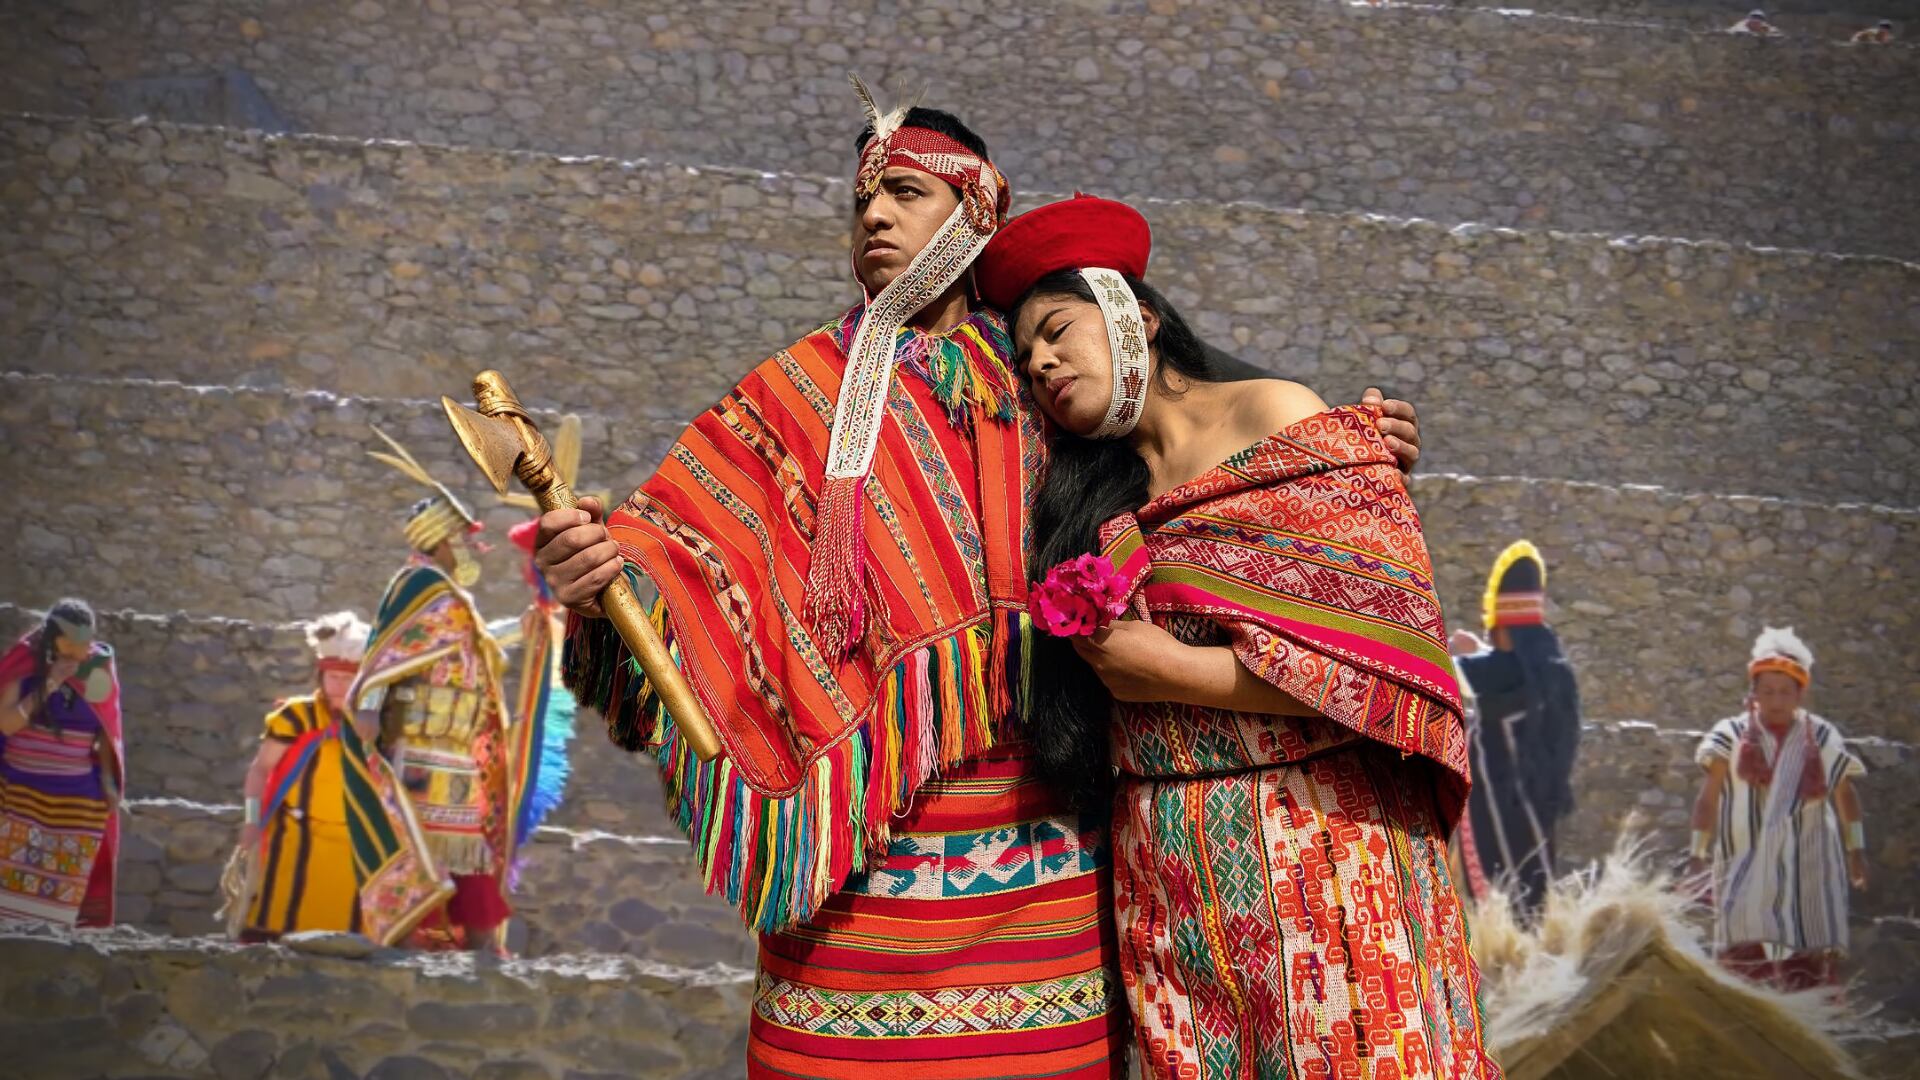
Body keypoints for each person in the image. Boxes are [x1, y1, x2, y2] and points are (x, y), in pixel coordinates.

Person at [539, 83, 1428, 1077]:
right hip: (856, 886)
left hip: (1051, 862)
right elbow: (677, 565)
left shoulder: (1060, 378)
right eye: (862, 202)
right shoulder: (788, 398)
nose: (872, 215)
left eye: (906, 193)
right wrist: (599, 582)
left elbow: (1211, 451)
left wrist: (1341, 449)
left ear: (977, 209)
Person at [972, 194, 1498, 1077]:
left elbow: (1377, 654)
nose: (1044, 362)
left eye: (1058, 330)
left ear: (1134, 312)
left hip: (1321, 842)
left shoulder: (1280, 415)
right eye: (1027, 362)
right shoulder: (1089, 498)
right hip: (1169, 865)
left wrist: (1173, 669)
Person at [352, 427, 518, 953]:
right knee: (420, 846)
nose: (472, 547)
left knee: (466, 849)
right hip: (417, 744)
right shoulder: (417, 585)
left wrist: (532, 626)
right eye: (465, 538)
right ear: (443, 541)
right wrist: (370, 715)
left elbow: (477, 653)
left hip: (456, 746)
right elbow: (385, 658)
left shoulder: (448, 594)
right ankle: (409, 946)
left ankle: (481, 945)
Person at [228, 611, 453, 944]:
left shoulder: (380, 726)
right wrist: (251, 821)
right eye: (332, 677)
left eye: (348, 679)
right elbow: (261, 770)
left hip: (355, 848)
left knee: (351, 939)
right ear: (320, 676)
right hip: (293, 841)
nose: (339, 687)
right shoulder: (295, 717)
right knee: (275, 932)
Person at [1690, 626, 1866, 991]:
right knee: (1743, 953)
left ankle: (1815, 1030)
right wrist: (1697, 853)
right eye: (1767, 691)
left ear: (1801, 694)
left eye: (1786, 692)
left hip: (1810, 859)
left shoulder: (1821, 737)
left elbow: (1845, 795)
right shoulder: (1729, 735)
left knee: (1811, 956)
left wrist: (1856, 851)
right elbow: (1708, 798)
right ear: (1753, 693)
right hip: (1746, 855)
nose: (1776, 700)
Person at [1447, 541, 1582, 918]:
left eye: (1494, 632)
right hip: (1535, 809)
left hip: (1500, 808)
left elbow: (1443, 673)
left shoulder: (1502, 671)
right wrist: (1477, 653)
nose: (1490, 639)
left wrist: (1456, 650)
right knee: (1533, 897)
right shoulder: (1550, 669)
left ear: (1507, 630)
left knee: (1501, 902)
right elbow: (1494, 671)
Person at [0, 599, 123, 927]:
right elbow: (7, 723)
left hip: (75, 803)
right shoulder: (24, 661)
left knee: (58, 901)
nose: (80, 651)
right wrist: (50, 682)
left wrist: (109, 781)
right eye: (71, 643)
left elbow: (107, 732)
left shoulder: (97, 668)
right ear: (52, 638)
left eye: (85, 644)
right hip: (18, 793)